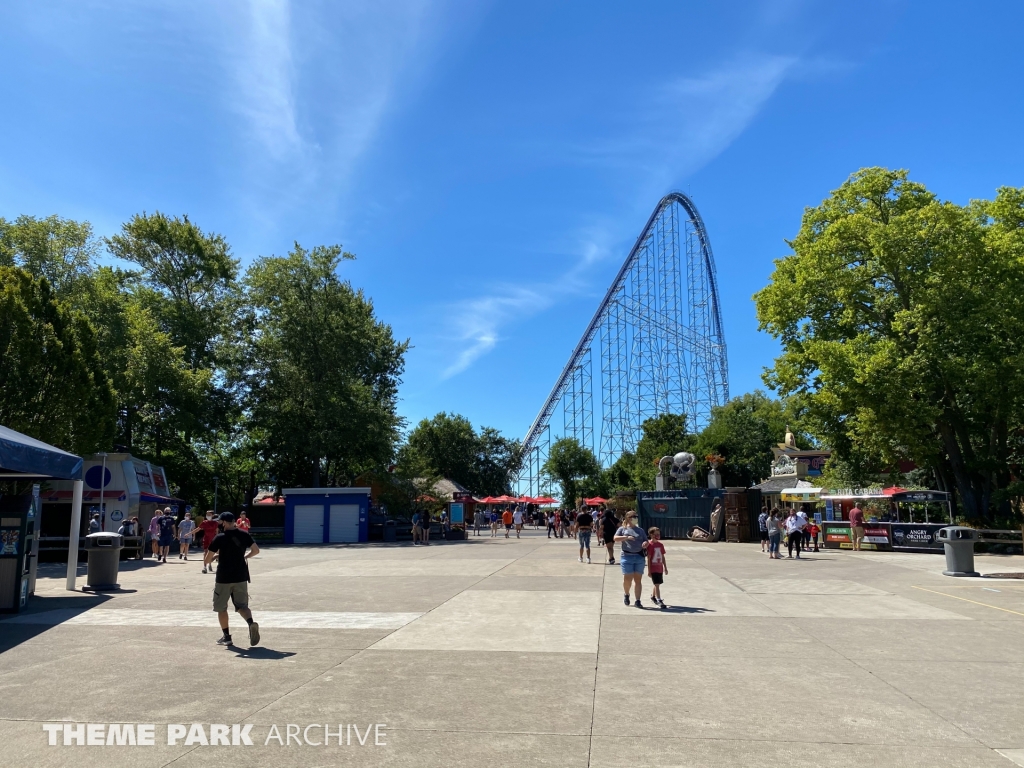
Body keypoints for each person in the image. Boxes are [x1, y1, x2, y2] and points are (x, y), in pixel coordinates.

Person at [206, 512, 260, 647]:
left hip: (224, 577)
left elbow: (207, 558)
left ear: (224, 522)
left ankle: (227, 637)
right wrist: (245, 557)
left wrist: (212, 558)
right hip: (241, 576)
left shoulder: (219, 538)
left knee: (221, 608)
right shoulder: (244, 534)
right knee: (242, 606)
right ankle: (250, 623)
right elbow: (256, 550)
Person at [615, 511, 648, 607]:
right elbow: (615, 538)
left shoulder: (640, 530)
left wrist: (645, 543)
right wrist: (626, 537)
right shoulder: (622, 529)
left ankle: (638, 600)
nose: (636, 518)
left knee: (638, 579)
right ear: (628, 518)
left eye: (636, 516)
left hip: (639, 556)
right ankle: (626, 594)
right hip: (627, 556)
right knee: (627, 579)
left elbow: (646, 540)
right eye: (634, 516)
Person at [646, 527, 668, 609]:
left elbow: (663, 557)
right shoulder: (650, 545)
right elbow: (648, 558)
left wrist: (665, 567)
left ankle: (653, 596)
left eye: (659, 534)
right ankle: (659, 600)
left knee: (657, 583)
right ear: (651, 535)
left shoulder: (660, 545)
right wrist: (649, 571)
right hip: (653, 568)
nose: (658, 536)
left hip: (659, 568)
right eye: (656, 534)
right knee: (657, 584)